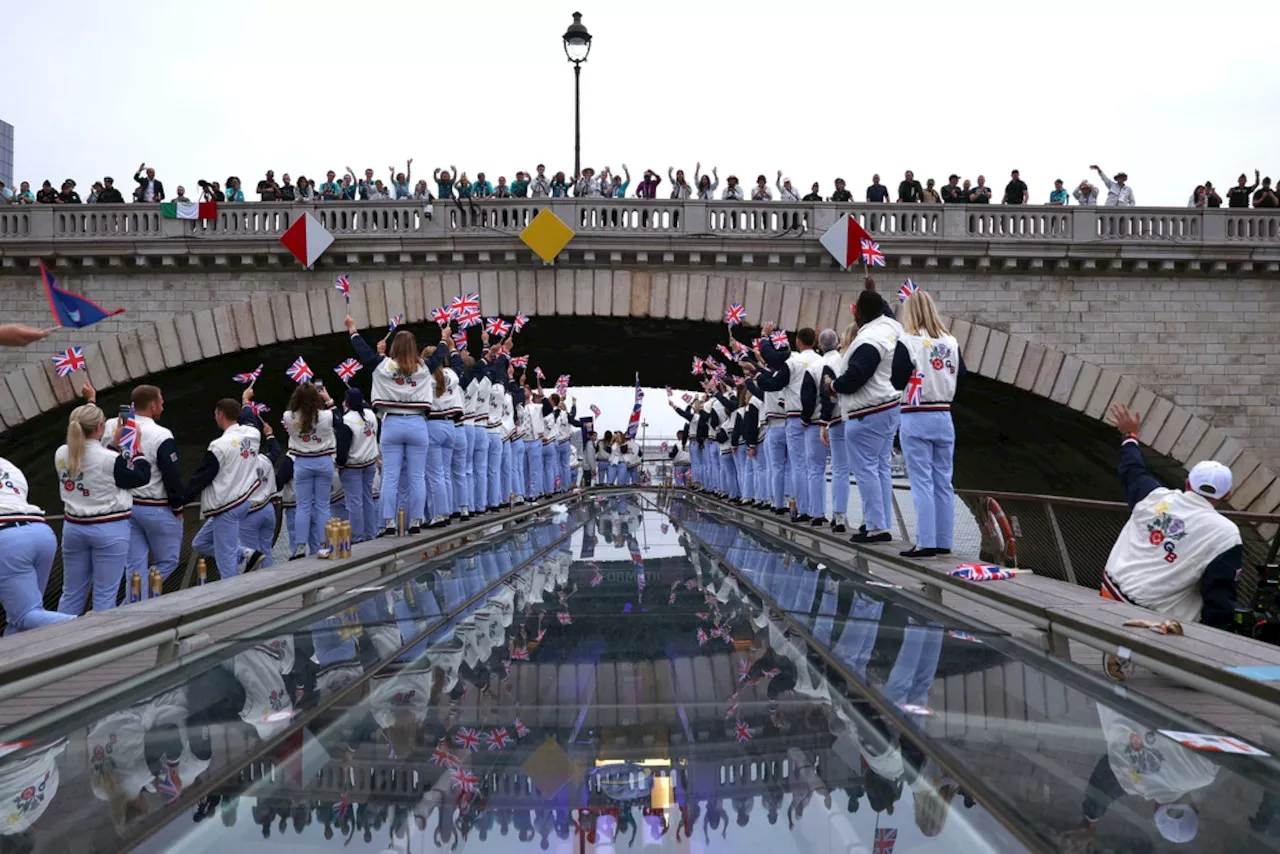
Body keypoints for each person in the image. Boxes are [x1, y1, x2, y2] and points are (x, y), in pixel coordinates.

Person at [1100, 404, 1241, 640]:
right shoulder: (1226, 534)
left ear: (1187, 483)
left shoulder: (1154, 497)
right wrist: (1218, 637)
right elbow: (1219, 593)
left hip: (1112, 591)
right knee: (1196, 596)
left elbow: (1132, 469)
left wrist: (1129, 435)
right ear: (1226, 496)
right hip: (1151, 610)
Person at [347, 315, 446, 534]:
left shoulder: (382, 365)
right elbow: (440, 355)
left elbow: (363, 352)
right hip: (418, 424)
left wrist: (353, 329)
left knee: (390, 476)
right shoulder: (423, 368)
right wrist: (445, 339)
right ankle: (416, 521)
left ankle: (389, 522)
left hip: (392, 422)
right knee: (417, 476)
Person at [55, 397, 152, 615]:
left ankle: (59, 640)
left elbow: (92, 462)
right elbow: (140, 476)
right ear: (100, 427)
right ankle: (102, 644)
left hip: (73, 527)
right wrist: (135, 447)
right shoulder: (110, 459)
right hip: (110, 528)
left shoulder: (61, 454)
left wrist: (113, 444)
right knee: (105, 594)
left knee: (71, 592)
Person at [890, 290, 962, 557]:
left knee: (922, 481)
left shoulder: (907, 341)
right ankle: (944, 541)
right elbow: (961, 377)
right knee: (944, 480)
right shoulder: (951, 342)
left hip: (915, 414)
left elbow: (897, 381)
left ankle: (925, 542)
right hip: (944, 414)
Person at [829, 290, 903, 544]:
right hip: (890, 407)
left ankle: (874, 525)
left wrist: (833, 386)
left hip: (867, 412)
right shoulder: (892, 327)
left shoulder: (869, 339)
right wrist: (874, 291)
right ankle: (881, 522)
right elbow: (885, 311)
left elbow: (856, 376)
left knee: (867, 470)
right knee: (881, 468)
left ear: (860, 312)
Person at [100, 384, 186, 598]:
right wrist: (178, 505)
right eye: (161, 402)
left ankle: (133, 605)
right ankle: (136, 599)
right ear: (153, 405)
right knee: (168, 560)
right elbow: (171, 473)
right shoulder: (161, 434)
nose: (163, 406)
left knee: (135, 566)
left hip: (126, 506)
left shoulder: (112, 425)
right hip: (156, 507)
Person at [183, 393, 267, 580]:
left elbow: (200, 478)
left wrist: (179, 501)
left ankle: (232, 599)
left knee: (225, 559)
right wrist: (246, 401)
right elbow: (250, 418)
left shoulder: (219, 445)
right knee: (200, 542)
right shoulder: (253, 434)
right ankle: (246, 554)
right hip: (244, 501)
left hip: (226, 506)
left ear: (220, 414)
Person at [0, 457, 76, 632]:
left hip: (8, 538)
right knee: (21, 618)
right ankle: (16, 658)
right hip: (39, 530)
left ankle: (94, 625)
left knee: (25, 615)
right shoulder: (7, 465)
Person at [756, 328, 821, 522]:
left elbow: (773, 384)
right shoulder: (821, 361)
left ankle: (802, 509)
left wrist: (759, 377)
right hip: (817, 419)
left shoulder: (792, 363)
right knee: (815, 467)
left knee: (797, 466)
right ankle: (819, 512)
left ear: (798, 342)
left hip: (794, 418)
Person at [282, 382, 349, 557]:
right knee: (323, 506)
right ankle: (324, 545)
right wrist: (329, 400)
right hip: (323, 461)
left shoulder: (289, 416)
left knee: (303, 506)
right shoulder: (326, 415)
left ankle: (300, 547)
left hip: (302, 462)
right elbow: (339, 420)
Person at [816, 327, 851, 532]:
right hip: (860, 416)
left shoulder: (828, 365)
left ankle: (839, 516)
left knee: (839, 468)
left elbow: (827, 396)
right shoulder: (851, 359)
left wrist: (824, 422)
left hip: (838, 418)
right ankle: (873, 522)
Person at [241, 414, 282, 567]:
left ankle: (258, 586)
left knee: (252, 555)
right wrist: (269, 434)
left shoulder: (240, 466)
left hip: (250, 513)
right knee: (266, 551)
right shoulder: (265, 459)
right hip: (268, 510)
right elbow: (276, 451)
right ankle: (271, 583)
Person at [341, 387, 381, 542]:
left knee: (354, 502)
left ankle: (356, 536)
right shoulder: (371, 415)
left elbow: (344, 447)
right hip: (370, 462)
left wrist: (340, 464)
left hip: (353, 465)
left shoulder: (347, 420)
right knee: (368, 498)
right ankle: (371, 533)